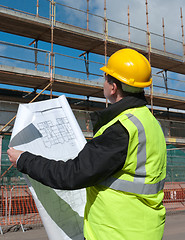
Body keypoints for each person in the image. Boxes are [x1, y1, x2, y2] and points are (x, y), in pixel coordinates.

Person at [7, 48, 167, 240]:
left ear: (113, 87)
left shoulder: (121, 129)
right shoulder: (150, 122)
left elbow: (72, 175)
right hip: (145, 229)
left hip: (116, 232)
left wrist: (24, 160)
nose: (104, 82)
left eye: (105, 77)